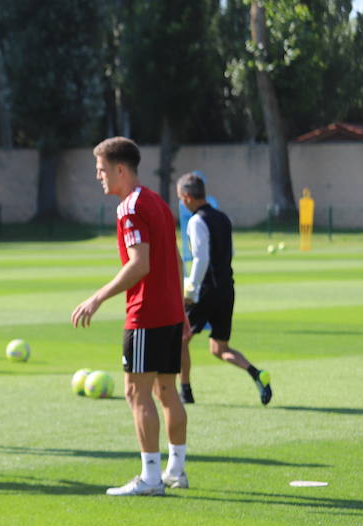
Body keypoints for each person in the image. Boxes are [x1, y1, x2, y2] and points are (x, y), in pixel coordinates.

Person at [72, 138, 188, 495]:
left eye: (102, 170)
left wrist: (97, 297)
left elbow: (140, 264)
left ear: (120, 169)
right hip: (168, 312)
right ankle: (176, 471)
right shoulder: (157, 201)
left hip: (146, 314)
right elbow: (177, 259)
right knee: (167, 391)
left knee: (136, 394)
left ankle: (151, 478)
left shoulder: (129, 208)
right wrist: (181, 310)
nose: (98, 177)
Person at [176, 173, 272, 407]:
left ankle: (185, 392)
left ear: (188, 197)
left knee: (180, 339)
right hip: (227, 288)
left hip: (207, 289)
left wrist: (191, 291)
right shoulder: (223, 218)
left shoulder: (196, 221)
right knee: (219, 348)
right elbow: (232, 253)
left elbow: (201, 258)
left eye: (180, 198)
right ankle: (256, 374)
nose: (180, 202)